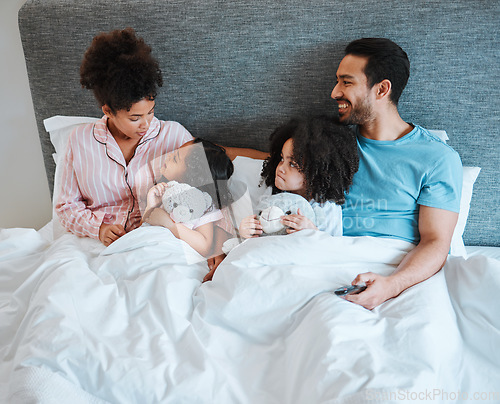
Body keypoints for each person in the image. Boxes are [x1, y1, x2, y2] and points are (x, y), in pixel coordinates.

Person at [56, 28, 265, 247]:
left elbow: (216, 158)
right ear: (108, 111)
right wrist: (98, 228)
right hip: (97, 245)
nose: (146, 124)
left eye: (151, 112)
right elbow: (66, 206)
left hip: (158, 243)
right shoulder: (80, 141)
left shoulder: (173, 135)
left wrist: (272, 155)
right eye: (135, 118)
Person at [331, 38, 462, 309]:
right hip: (328, 260)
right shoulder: (329, 145)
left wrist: (391, 285)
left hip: (396, 271)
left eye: (346, 82)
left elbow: (436, 242)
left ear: (382, 89)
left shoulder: (437, 158)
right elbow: (271, 162)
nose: (334, 93)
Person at [238, 115, 359, 238]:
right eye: (281, 159)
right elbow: (259, 229)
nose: (280, 168)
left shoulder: (326, 207)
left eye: (292, 164)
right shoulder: (273, 195)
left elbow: (332, 248)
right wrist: (246, 231)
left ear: (315, 173)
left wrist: (312, 231)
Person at [142, 138, 234, 257]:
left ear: (192, 177)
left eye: (175, 159)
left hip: (171, 253)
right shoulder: (164, 192)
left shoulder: (203, 205)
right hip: (146, 247)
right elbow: (143, 228)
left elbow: (204, 246)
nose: (168, 156)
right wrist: (151, 206)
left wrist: (170, 224)